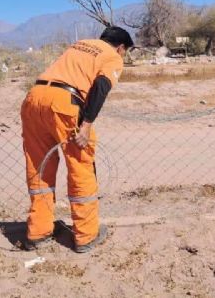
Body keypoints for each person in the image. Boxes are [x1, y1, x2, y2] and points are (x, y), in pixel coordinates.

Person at [21, 26, 133, 253]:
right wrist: (86, 124)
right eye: (126, 52)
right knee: (80, 167)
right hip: (64, 103)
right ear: (121, 47)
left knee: (39, 166)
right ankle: (86, 235)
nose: (124, 56)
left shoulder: (79, 45)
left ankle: (38, 232)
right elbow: (101, 86)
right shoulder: (112, 56)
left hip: (34, 99)